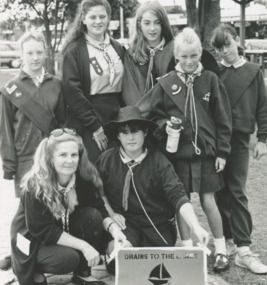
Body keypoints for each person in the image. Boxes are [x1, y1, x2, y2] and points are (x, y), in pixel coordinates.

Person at [147, 28, 232, 273]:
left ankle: (221, 250)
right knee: (180, 202)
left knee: (208, 200)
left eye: (194, 56)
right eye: (183, 57)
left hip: (206, 154)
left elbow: (223, 120)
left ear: (201, 53)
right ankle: (186, 250)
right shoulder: (166, 83)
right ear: (176, 56)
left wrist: (222, 153)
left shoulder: (210, 80)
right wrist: (166, 126)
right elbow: (153, 116)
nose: (189, 61)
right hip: (177, 155)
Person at [96, 106, 210, 274]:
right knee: (121, 264)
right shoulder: (106, 160)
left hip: (156, 225)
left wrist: (196, 227)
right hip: (124, 225)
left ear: (145, 132)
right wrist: (111, 214)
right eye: (125, 132)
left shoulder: (159, 161)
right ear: (118, 136)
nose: (131, 137)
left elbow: (178, 195)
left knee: (155, 269)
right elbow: (98, 193)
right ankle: (113, 250)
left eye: (135, 131)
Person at [10, 128, 127, 285]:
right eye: (63, 155)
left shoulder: (83, 177)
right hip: (33, 239)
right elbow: (44, 230)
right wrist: (84, 246)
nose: (70, 160)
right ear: (50, 158)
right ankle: (35, 269)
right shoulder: (34, 184)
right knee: (67, 259)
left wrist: (115, 230)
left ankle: (82, 274)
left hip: (60, 228)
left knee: (92, 217)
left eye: (74, 155)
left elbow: (99, 208)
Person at [211, 23, 267, 274]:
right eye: (219, 48)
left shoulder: (254, 71)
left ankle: (244, 248)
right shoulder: (214, 73)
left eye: (228, 44)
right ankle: (228, 241)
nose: (224, 52)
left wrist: (263, 139)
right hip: (214, 141)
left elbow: (262, 108)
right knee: (218, 192)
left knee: (237, 192)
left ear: (237, 40)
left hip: (241, 141)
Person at [0, 31, 65, 198]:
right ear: (21, 54)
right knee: (26, 210)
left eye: (39, 52)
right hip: (25, 157)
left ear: (46, 53)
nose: (35, 57)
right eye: (29, 53)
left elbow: (63, 123)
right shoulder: (10, 89)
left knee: (53, 204)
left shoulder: (56, 84)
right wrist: (9, 166)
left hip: (52, 156)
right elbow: (5, 131)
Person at [122, 1, 220, 108]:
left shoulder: (176, 50)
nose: (152, 28)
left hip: (170, 115)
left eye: (157, 22)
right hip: (141, 116)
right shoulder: (132, 54)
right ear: (139, 25)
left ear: (163, 24)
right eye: (147, 23)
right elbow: (130, 92)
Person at [62, 0, 124, 163]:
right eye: (93, 17)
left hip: (116, 118)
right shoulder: (74, 50)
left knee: (117, 170)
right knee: (95, 172)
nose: (98, 21)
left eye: (102, 16)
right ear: (83, 19)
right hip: (90, 119)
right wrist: (95, 127)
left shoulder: (118, 48)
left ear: (108, 18)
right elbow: (71, 91)